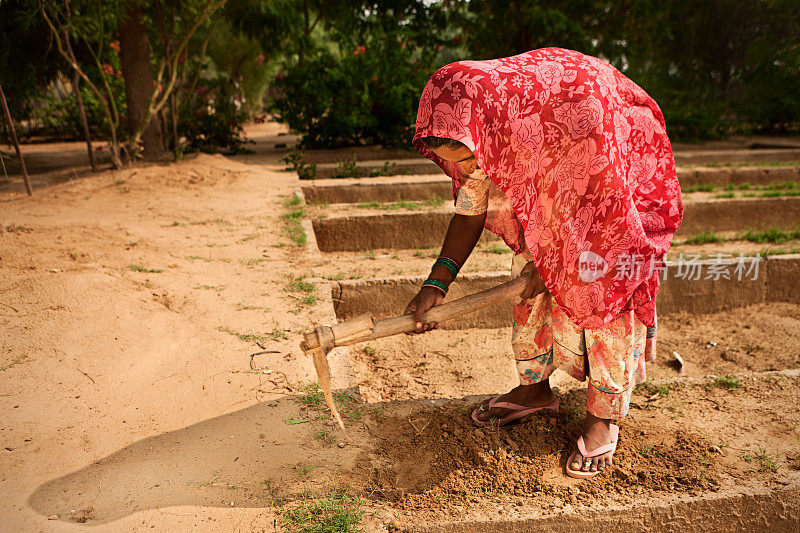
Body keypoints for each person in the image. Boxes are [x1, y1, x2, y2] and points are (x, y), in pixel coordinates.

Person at [404, 48, 683, 479]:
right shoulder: (484, 128)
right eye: (458, 163)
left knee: (598, 284)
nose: (468, 168)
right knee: (532, 287)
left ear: (485, 131)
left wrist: (557, 260)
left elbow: (596, 208)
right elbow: (471, 208)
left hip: (599, 178)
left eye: (469, 158)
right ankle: (534, 390)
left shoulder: (566, 113)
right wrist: (435, 285)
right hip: (556, 184)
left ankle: (603, 415)